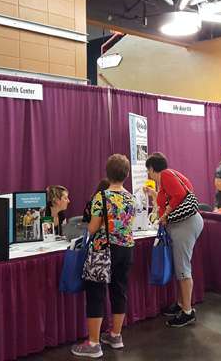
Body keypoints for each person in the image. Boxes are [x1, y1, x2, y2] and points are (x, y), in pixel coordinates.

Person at [72, 155, 135, 358]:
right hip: (126, 249)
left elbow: (92, 228)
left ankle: (93, 343)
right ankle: (115, 335)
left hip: (103, 250)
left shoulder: (102, 197)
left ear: (107, 173)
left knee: (96, 293)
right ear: (127, 174)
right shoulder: (131, 197)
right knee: (119, 290)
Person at [144, 152, 203, 327]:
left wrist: (166, 215)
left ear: (152, 169)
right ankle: (181, 304)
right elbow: (176, 196)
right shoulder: (171, 176)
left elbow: (178, 195)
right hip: (186, 224)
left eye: (148, 171)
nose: (148, 174)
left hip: (184, 226)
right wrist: (156, 195)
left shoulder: (166, 175)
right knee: (180, 266)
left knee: (183, 269)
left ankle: (187, 311)